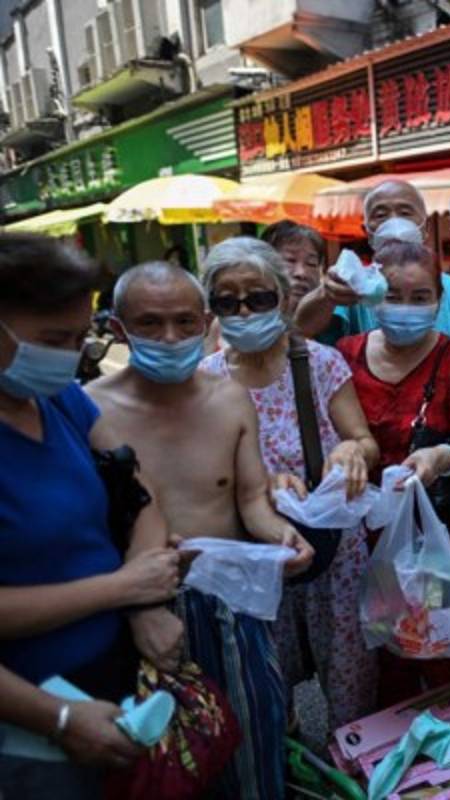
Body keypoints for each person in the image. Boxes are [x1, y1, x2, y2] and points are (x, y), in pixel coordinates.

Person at [88, 261, 314, 800]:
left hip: (230, 608)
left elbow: (251, 498)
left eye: (185, 322)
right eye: (150, 324)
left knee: (255, 748)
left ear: (204, 321)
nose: (170, 337)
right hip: (137, 614)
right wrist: (140, 606)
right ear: (119, 329)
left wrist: (281, 534)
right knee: (159, 770)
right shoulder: (89, 409)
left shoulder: (229, 399)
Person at [0, 235, 185, 798]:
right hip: (32, 721)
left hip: (117, 680)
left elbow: (139, 488)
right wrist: (56, 718)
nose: (69, 354)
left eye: (79, 336)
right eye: (52, 339)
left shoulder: (58, 399)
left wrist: (147, 602)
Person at [196, 238, 381, 730]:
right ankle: (289, 762)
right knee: (268, 679)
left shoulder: (318, 362)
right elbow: (206, 475)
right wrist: (259, 483)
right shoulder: (206, 379)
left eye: (257, 298)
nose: (244, 311)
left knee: (348, 671)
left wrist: (351, 451)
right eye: (226, 301)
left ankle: (352, 762)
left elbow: (364, 440)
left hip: (331, 546)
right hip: (255, 552)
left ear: (281, 298)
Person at [334, 238, 450, 707]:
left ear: (440, 300)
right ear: (370, 299)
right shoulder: (343, 356)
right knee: (384, 667)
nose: (405, 308)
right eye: (391, 296)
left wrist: (441, 458)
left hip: (436, 541)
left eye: (420, 297)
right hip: (364, 541)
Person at [293, 179, 450, 353]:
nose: (394, 223)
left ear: (425, 228)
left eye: (405, 213)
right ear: (367, 231)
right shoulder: (354, 289)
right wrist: (326, 294)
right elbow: (304, 328)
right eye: (381, 215)